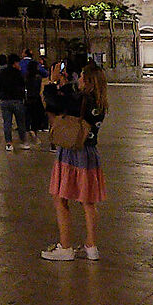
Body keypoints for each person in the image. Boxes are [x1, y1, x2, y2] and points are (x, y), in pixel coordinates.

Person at [42, 62, 108, 261]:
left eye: (81, 76)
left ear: (87, 80)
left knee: (60, 198)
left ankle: (66, 247)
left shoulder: (80, 100)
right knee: (88, 201)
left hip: (72, 152)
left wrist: (52, 81)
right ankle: (91, 246)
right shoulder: (99, 101)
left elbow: (52, 103)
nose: (78, 79)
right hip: (90, 153)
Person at [0, 54, 28, 151]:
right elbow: (23, 85)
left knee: (7, 123)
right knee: (20, 122)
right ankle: (23, 141)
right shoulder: (18, 74)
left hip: (5, 101)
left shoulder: (1, 73)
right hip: (17, 100)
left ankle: (8, 143)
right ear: (14, 63)